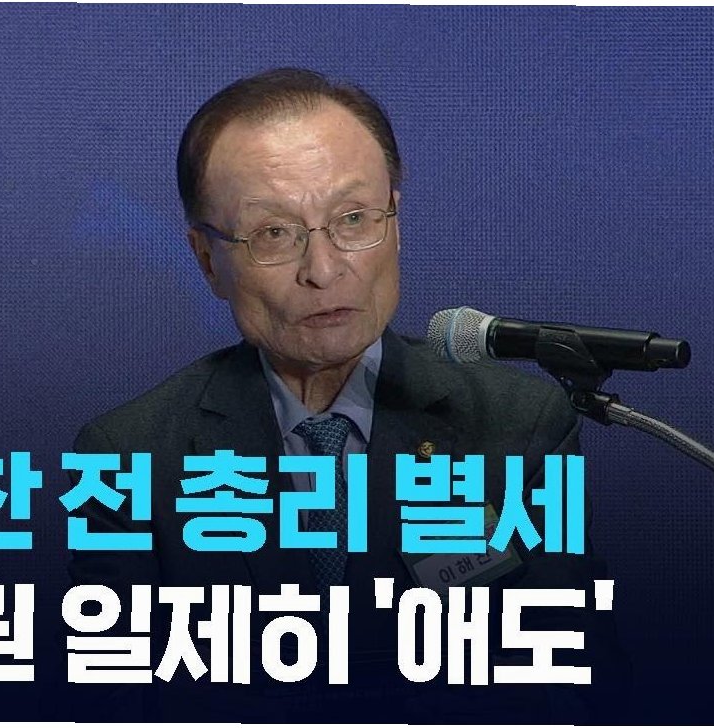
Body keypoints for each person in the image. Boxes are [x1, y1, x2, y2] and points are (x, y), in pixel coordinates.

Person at [68, 67, 624, 723]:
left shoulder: (516, 426)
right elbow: (117, 703)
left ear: (396, 221)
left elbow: (574, 680)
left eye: (354, 219)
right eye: (274, 233)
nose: (324, 269)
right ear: (208, 259)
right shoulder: (130, 458)